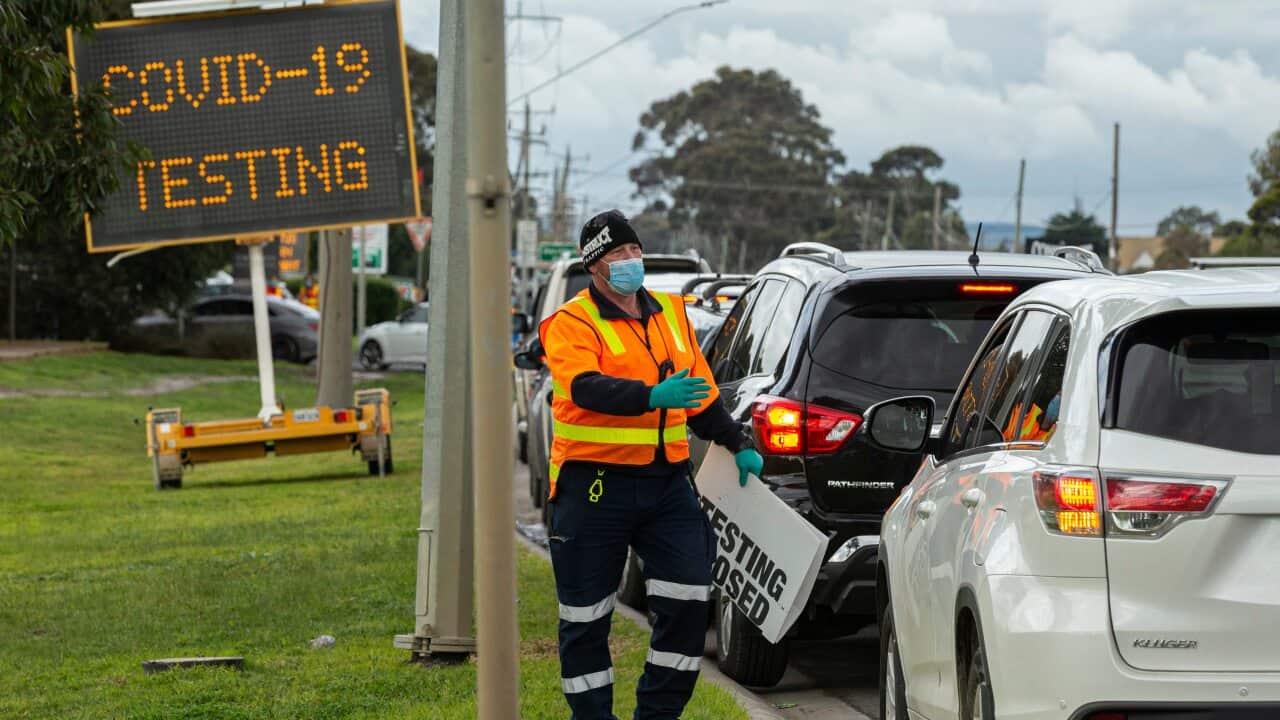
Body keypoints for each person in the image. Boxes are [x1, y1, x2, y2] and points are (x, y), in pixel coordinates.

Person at [538, 209, 764, 720]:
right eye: (618, 254)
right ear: (594, 266)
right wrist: (652, 395)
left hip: (666, 484)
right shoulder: (570, 322)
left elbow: (700, 391)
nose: (630, 260)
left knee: (688, 600)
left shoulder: (671, 312)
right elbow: (583, 387)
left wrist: (735, 439)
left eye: (635, 250)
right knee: (585, 616)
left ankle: (657, 714)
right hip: (592, 484)